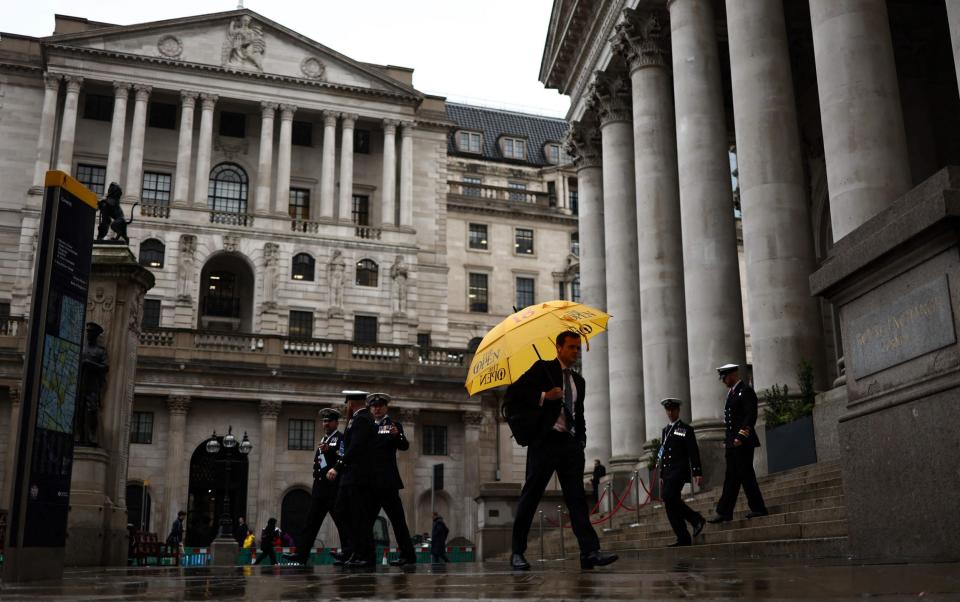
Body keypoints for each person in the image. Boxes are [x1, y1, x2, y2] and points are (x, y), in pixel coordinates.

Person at [506, 331, 618, 571]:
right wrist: (544, 395)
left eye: (578, 348)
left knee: (577, 499)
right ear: (558, 348)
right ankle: (517, 552)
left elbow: (579, 414)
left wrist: (581, 440)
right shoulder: (541, 369)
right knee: (531, 496)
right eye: (571, 347)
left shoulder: (579, 381)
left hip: (569, 445)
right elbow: (513, 394)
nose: (576, 352)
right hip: (544, 442)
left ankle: (590, 552)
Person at [708, 364, 769, 523]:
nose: (723, 381)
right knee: (731, 478)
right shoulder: (732, 393)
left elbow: (750, 416)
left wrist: (740, 437)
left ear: (733, 374)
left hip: (743, 442)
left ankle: (758, 508)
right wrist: (728, 440)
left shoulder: (745, 391)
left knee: (746, 475)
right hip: (732, 443)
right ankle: (724, 512)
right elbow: (731, 421)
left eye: (725, 377)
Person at [288, 408, 347, 565]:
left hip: (333, 489)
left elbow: (343, 458)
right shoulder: (324, 439)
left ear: (336, 422)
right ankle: (301, 554)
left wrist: (331, 452)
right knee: (311, 522)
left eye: (329, 421)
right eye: (324, 421)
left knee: (342, 522)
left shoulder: (341, 439)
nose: (325, 424)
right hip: (320, 487)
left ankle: (348, 554)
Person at [327, 390, 379, 568]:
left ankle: (365, 554)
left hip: (359, 476)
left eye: (347, 403)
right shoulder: (357, 419)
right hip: (352, 476)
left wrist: (337, 466)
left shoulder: (363, 419)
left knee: (359, 516)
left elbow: (355, 447)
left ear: (351, 403)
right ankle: (354, 550)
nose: (346, 406)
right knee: (343, 511)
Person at [368, 393, 418, 566]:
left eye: (380, 405)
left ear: (385, 407)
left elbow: (404, 446)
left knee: (398, 521)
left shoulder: (393, 425)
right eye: (374, 406)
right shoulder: (368, 427)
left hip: (388, 482)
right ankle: (367, 556)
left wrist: (398, 435)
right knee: (366, 522)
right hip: (371, 482)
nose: (377, 408)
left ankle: (408, 556)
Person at [657, 398, 706, 546]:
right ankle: (683, 537)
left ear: (678, 410)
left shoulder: (685, 429)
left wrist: (697, 471)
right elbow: (663, 453)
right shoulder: (665, 431)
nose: (670, 412)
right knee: (670, 503)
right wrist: (661, 474)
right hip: (667, 472)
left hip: (679, 470)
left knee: (668, 496)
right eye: (668, 410)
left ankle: (696, 519)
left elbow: (693, 451)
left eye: (673, 410)